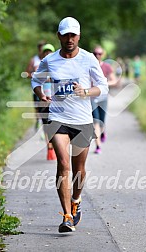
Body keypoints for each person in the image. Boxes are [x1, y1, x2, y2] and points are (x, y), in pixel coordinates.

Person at [31, 17, 108, 233]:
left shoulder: (89, 59)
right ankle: (66, 215)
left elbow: (103, 87)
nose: (69, 39)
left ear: (79, 36)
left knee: (79, 169)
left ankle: (76, 199)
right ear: (59, 36)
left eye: (73, 35)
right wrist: (41, 94)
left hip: (82, 120)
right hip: (57, 118)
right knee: (63, 164)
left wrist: (86, 91)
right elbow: (36, 80)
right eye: (65, 35)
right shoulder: (50, 60)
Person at [92, 46, 116, 154]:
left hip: (103, 97)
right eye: (95, 53)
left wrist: (105, 84)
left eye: (99, 54)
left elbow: (113, 80)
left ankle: (103, 132)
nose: (97, 56)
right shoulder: (90, 66)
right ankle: (98, 146)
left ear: (102, 55)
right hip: (92, 97)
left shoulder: (106, 66)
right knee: (96, 121)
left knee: (102, 121)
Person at [41, 44, 57, 160]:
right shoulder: (40, 66)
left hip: (55, 101)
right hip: (44, 101)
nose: (48, 53)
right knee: (46, 125)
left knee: (55, 125)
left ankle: (54, 147)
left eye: (50, 52)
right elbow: (35, 81)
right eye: (46, 52)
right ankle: (49, 148)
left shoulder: (58, 66)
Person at [26, 40, 46, 131]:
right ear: (38, 49)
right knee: (38, 108)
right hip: (37, 88)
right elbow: (27, 73)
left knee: (46, 107)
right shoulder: (34, 60)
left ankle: (44, 124)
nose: (41, 51)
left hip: (48, 88)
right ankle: (39, 121)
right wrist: (33, 75)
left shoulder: (49, 59)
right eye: (40, 49)